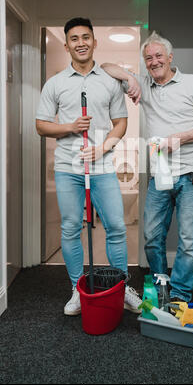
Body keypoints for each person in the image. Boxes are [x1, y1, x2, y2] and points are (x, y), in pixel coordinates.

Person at [101, 31, 193, 303]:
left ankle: (178, 295)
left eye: (158, 56)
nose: (154, 61)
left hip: (192, 175)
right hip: (159, 177)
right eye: (148, 58)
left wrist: (179, 138)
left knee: (188, 243)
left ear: (170, 57)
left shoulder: (192, 83)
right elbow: (106, 67)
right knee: (152, 237)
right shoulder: (144, 85)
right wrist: (130, 77)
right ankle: (160, 286)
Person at [36, 17, 142, 315]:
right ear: (67, 44)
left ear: (94, 42)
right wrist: (70, 126)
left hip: (103, 167)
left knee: (117, 227)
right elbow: (41, 126)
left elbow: (121, 123)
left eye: (86, 37)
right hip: (68, 168)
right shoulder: (54, 84)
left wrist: (103, 148)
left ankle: (121, 289)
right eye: (74, 38)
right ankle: (77, 290)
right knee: (70, 228)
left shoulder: (109, 80)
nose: (80, 42)